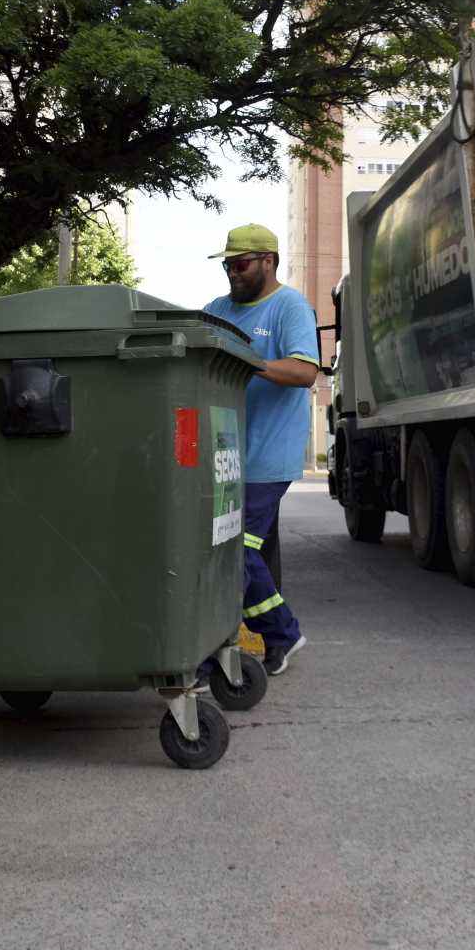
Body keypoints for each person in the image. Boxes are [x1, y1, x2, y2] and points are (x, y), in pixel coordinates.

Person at [204, 223, 318, 675]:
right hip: (223, 458)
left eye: (241, 264)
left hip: (269, 457)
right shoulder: (216, 309)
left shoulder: (289, 307)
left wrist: (248, 361)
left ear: (268, 261)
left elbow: (305, 371)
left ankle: (282, 634)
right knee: (235, 552)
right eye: (228, 264)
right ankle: (231, 639)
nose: (232, 272)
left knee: (236, 552)